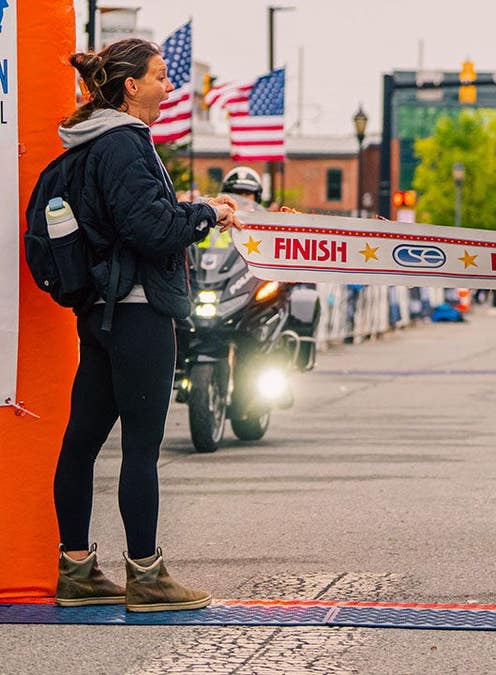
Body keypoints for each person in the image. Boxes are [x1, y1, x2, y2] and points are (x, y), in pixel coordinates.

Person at [52, 38, 242, 611]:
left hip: (101, 311)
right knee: (141, 447)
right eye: (161, 76)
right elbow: (151, 229)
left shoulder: (86, 143)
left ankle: (76, 568)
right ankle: (147, 575)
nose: (169, 86)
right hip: (138, 311)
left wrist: (188, 211)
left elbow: (130, 219)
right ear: (131, 86)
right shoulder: (125, 144)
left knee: (82, 441)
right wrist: (206, 213)